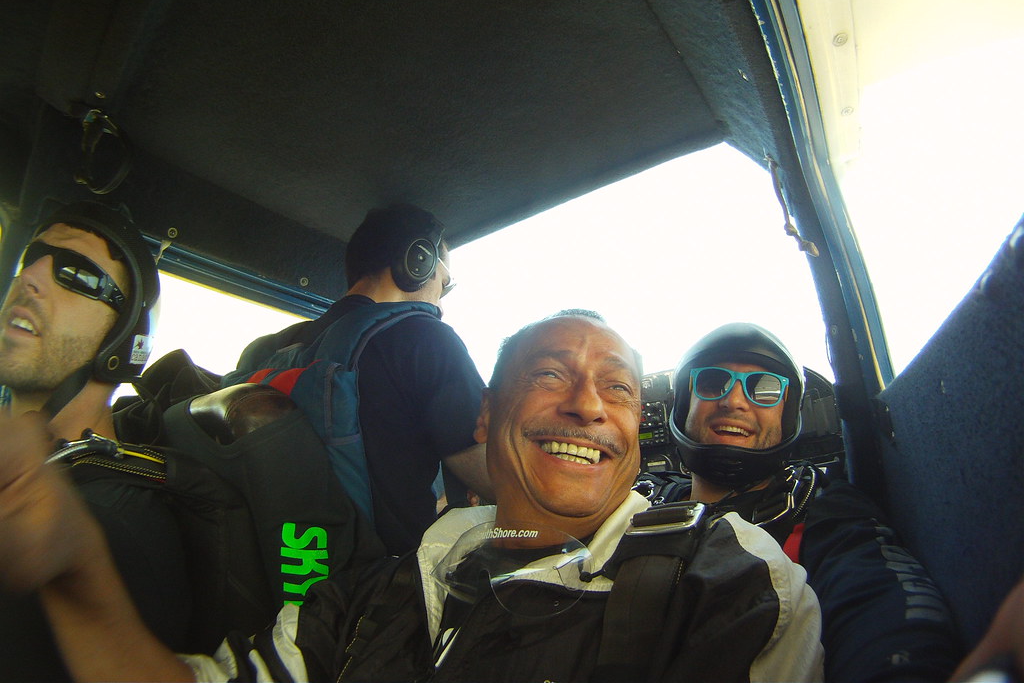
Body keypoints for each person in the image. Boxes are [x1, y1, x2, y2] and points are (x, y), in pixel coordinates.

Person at [0, 310, 825, 682]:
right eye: (550, 375)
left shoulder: (729, 582)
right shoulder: (383, 588)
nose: (588, 404)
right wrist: (76, 564)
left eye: (618, 388)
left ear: (635, 431)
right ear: (484, 417)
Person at [654, 322, 964, 682]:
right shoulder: (643, 497)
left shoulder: (821, 507)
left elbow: (877, 602)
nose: (734, 400)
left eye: (765, 388)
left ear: (788, 416)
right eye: (712, 382)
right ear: (683, 403)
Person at [223, 204, 491, 554]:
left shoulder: (263, 350)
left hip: (267, 560)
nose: (441, 304)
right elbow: (497, 476)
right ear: (418, 262)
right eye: (444, 284)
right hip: (379, 576)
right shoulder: (426, 337)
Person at [0, 200, 190, 681]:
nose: (30, 276)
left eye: (76, 274)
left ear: (122, 341)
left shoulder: (120, 529)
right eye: (31, 259)